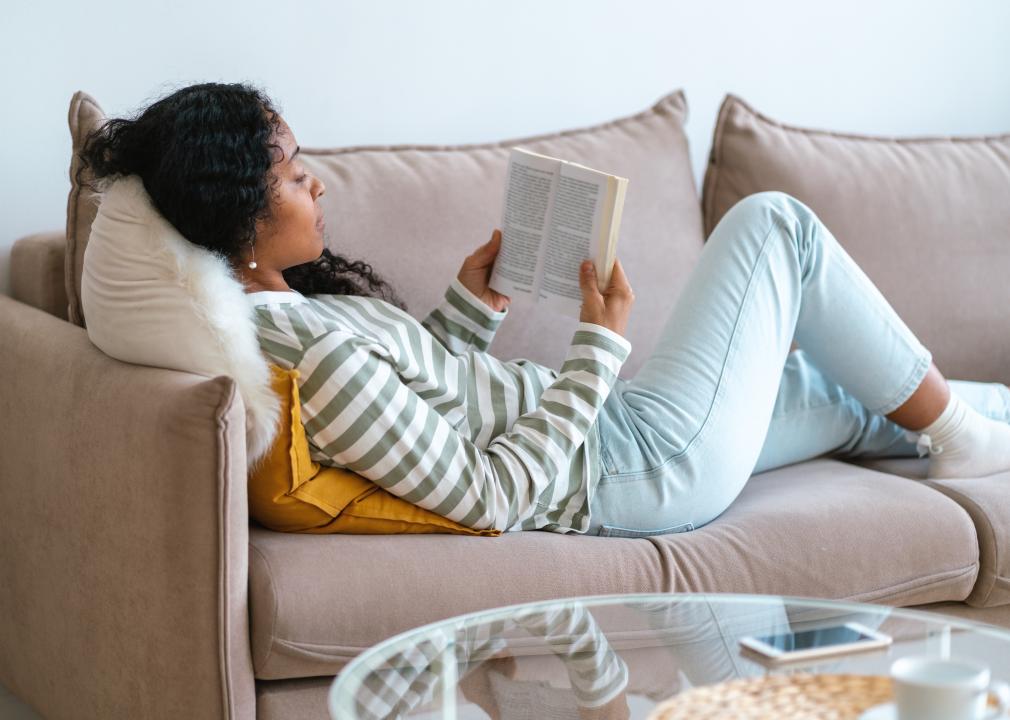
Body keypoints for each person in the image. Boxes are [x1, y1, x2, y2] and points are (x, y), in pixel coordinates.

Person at [76, 81, 1010, 537]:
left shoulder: (290, 307)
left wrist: (472, 308)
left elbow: (425, 395)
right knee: (776, 228)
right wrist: (597, 350)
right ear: (237, 210)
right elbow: (483, 497)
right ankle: (967, 435)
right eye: (289, 174)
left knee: (830, 389)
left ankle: (971, 432)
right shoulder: (296, 354)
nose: (314, 183)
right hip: (627, 469)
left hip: (619, 438)